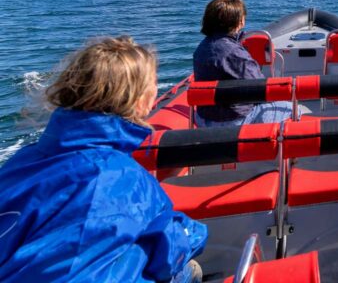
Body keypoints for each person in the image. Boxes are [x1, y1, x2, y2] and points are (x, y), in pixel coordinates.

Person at [0, 37, 207, 283]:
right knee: (188, 269)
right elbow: (171, 242)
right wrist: (196, 234)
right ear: (140, 101)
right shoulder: (117, 177)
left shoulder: (21, 162)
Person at [193, 0, 307, 126]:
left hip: (203, 117)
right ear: (240, 22)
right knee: (294, 109)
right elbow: (261, 87)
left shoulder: (202, 47)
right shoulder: (234, 53)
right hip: (231, 120)